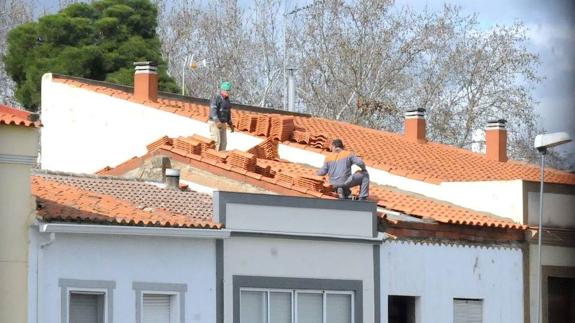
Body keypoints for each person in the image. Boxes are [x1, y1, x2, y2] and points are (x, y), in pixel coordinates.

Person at [209, 81, 234, 151]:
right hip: (214, 123)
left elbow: (228, 113)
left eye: (229, 90)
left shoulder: (227, 100)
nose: (228, 92)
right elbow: (213, 110)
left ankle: (221, 159)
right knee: (217, 142)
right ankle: (214, 159)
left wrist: (230, 124)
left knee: (224, 143)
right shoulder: (216, 97)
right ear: (222, 90)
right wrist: (217, 121)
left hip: (223, 123)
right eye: (227, 90)